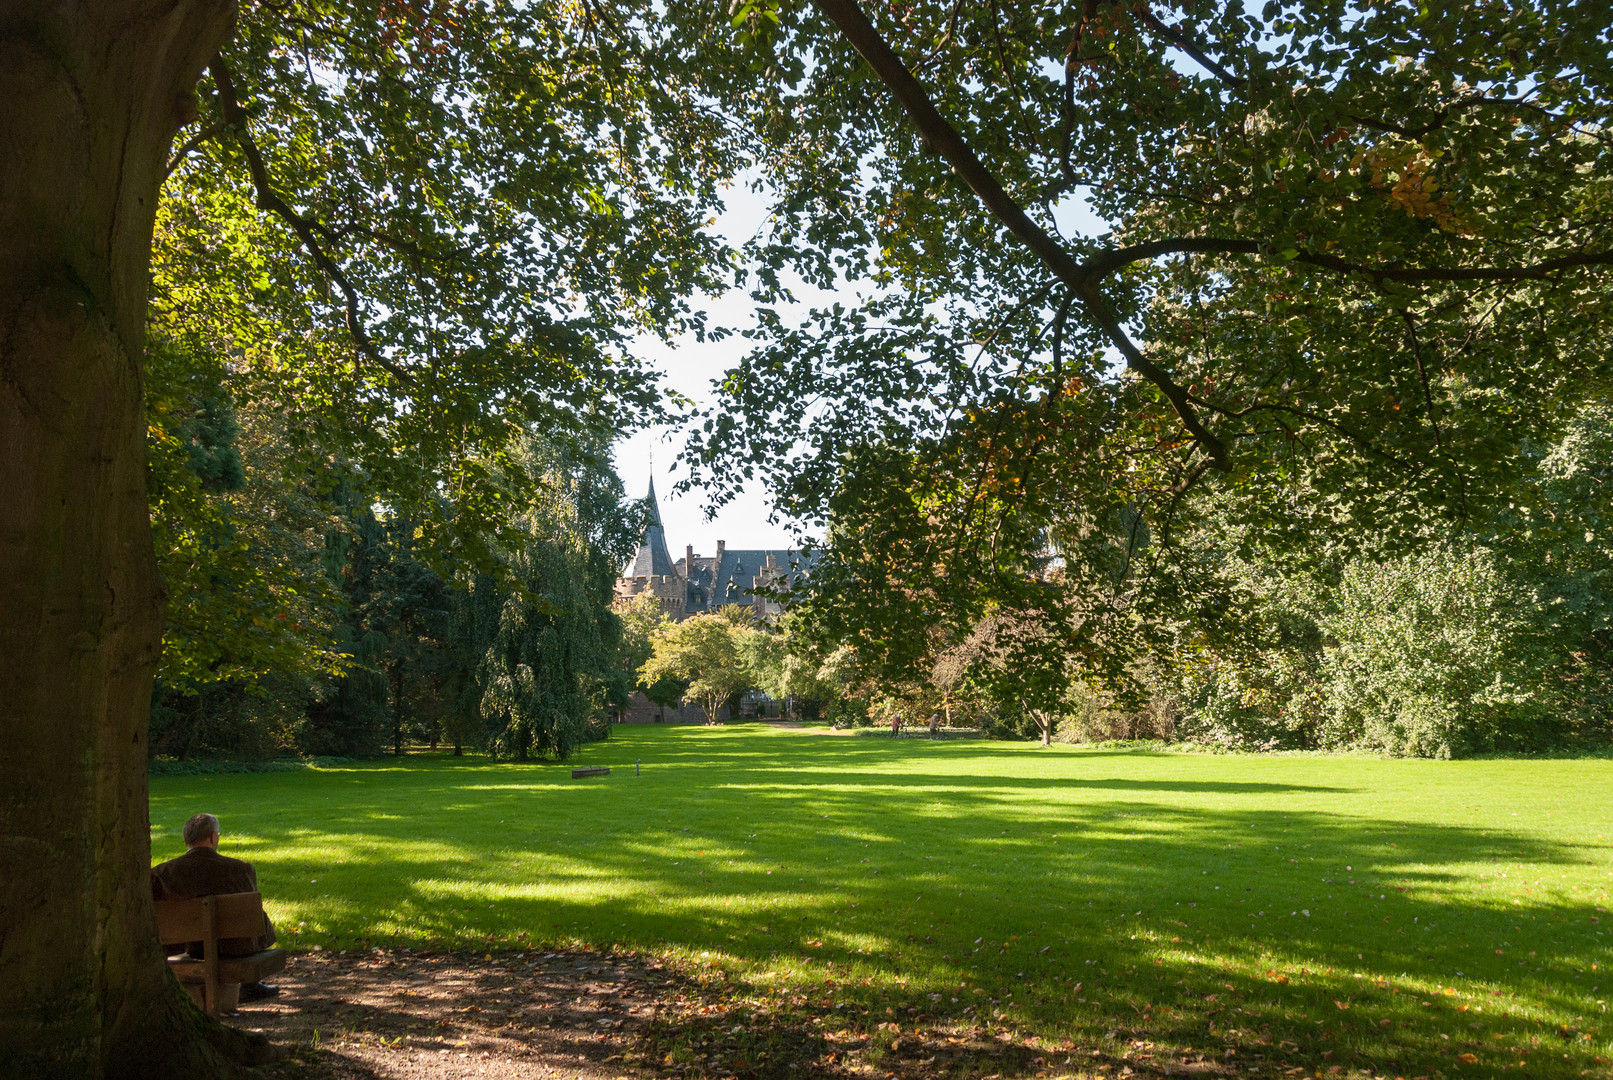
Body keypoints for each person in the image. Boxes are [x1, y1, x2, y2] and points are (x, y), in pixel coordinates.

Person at [151, 812, 280, 1002]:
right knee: (256, 916)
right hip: (235, 947)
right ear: (213, 837)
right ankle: (250, 986)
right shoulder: (241, 869)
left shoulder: (161, 874)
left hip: (189, 947)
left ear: (186, 840)